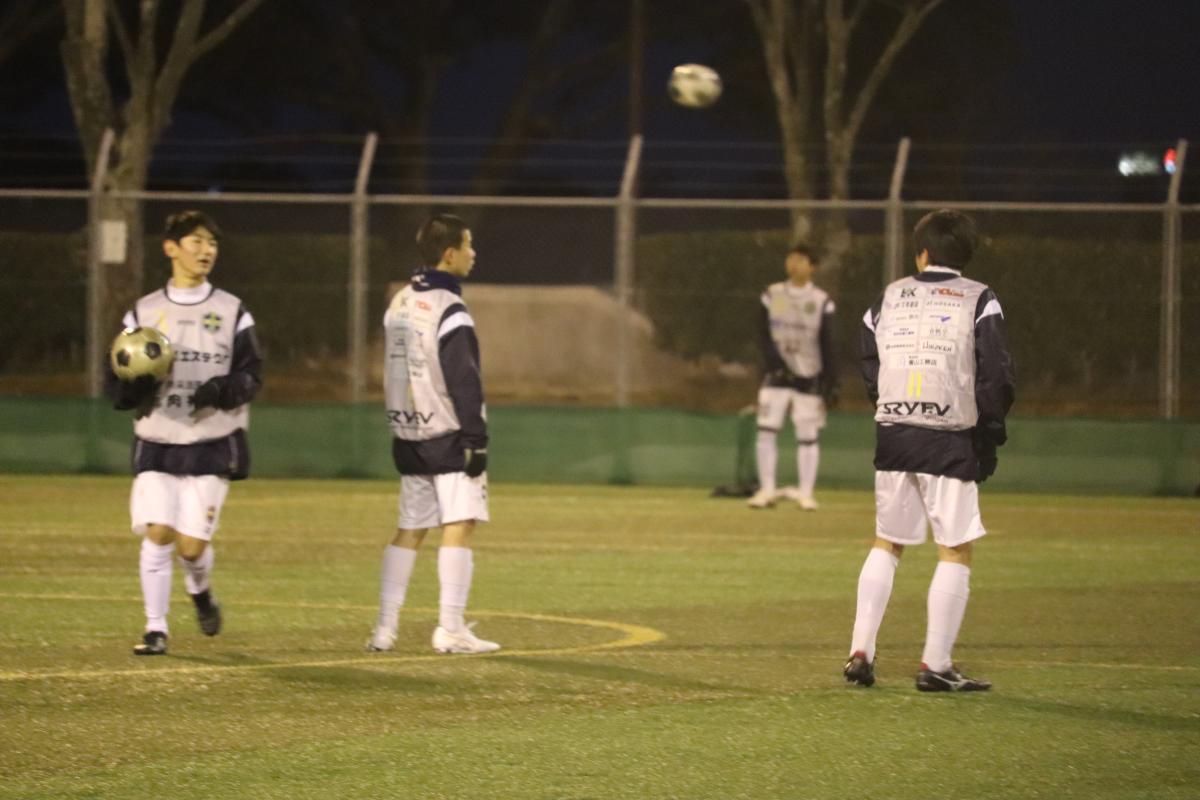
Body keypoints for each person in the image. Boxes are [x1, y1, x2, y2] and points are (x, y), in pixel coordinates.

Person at [843, 209, 1014, 692]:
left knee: (887, 541)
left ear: (921, 253)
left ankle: (860, 652)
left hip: (894, 432)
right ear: (966, 253)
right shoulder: (979, 298)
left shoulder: (888, 296)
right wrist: (989, 435)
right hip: (949, 435)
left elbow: (869, 359)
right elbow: (996, 373)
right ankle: (935, 664)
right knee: (954, 548)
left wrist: (888, 404)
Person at [105, 210, 263, 656]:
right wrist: (132, 388)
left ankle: (200, 590)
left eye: (211, 243)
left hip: (210, 441)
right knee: (159, 532)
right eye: (196, 242)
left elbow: (252, 373)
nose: (206, 250)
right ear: (171, 248)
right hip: (157, 440)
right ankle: (155, 629)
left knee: (191, 547)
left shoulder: (232, 311)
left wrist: (222, 389)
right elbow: (115, 375)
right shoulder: (143, 311)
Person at [367, 213, 499, 655]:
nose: (473, 253)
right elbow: (464, 379)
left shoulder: (401, 300)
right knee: (459, 524)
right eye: (468, 245)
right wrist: (476, 439)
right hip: (447, 431)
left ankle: (384, 628)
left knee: (410, 528)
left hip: (408, 430)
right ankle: (450, 628)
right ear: (449, 254)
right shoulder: (450, 309)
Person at [747, 244, 838, 510]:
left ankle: (806, 494)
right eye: (791, 258)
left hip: (807, 375)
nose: (794, 264)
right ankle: (766, 491)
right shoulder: (774, 294)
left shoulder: (821, 300)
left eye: (801, 259)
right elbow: (763, 333)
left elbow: (829, 343)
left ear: (813, 267)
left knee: (808, 435)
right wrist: (773, 364)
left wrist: (831, 382)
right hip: (777, 375)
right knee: (766, 430)